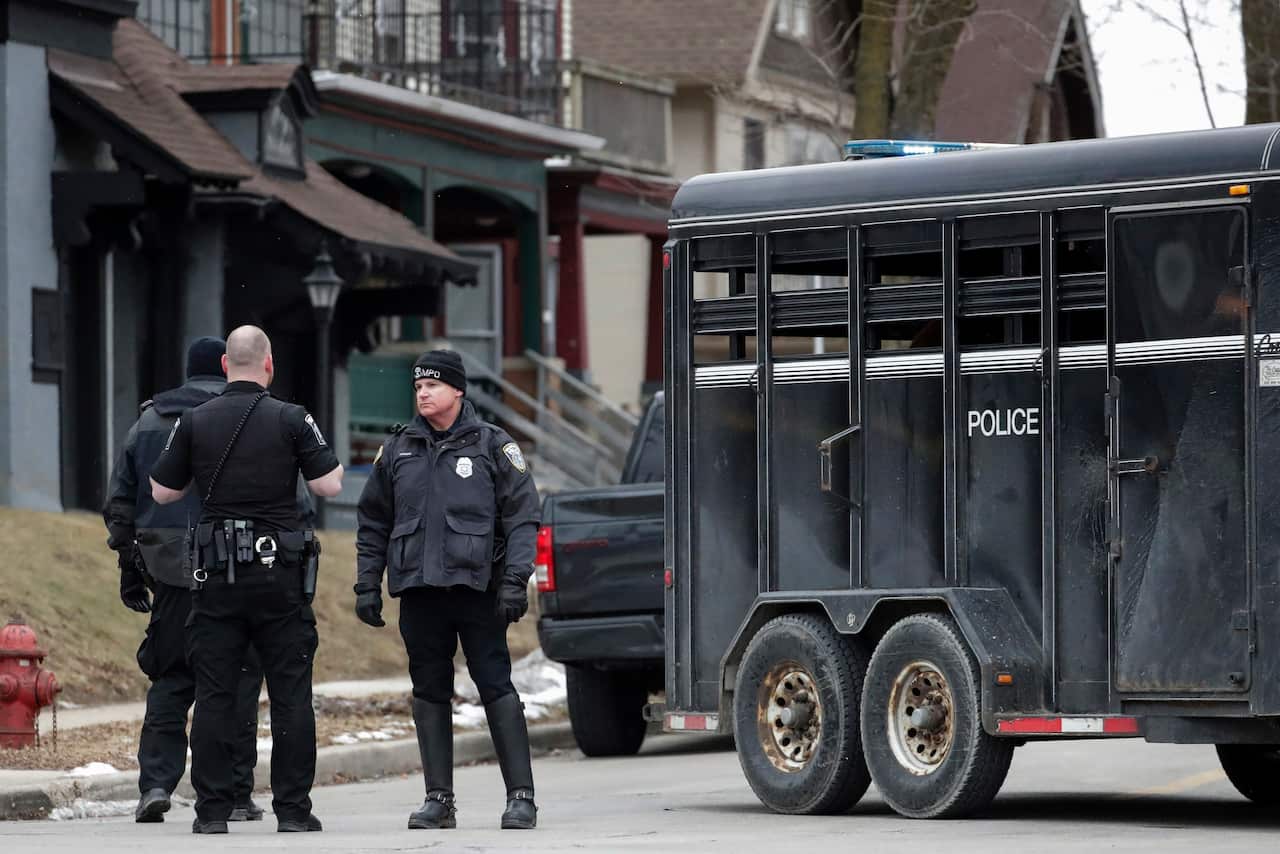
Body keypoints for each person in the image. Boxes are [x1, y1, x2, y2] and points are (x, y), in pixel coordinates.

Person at [150, 325, 343, 835]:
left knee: (214, 692)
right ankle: (294, 811)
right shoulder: (292, 418)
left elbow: (161, 492)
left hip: (217, 576)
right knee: (290, 693)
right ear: (269, 365)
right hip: (280, 575)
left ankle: (212, 812)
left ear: (224, 367)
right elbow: (329, 483)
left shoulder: (194, 419)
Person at [354, 349, 541, 831]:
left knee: (495, 685)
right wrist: (366, 584)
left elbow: (523, 518)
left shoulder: (493, 447)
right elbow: (373, 520)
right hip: (420, 592)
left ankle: (521, 797)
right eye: (418, 386)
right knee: (429, 691)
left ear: (458, 390)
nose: (422, 393)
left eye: (433, 385)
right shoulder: (397, 450)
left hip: (478, 592)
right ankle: (439, 799)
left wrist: (516, 581)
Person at [103, 336, 266, 824]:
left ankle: (155, 783)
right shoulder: (248, 416)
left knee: (172, 679)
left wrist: (130, 566)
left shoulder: (150, 421)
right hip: (235, 570)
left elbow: (121, 501)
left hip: (170, 571)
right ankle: (236, 791)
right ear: (225, 366)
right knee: (236, 681)